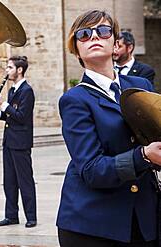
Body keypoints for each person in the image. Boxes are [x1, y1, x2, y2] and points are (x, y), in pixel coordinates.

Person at [56, 10, 161, 247]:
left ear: (115, 43)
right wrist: (143, 156)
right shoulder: (74, 99)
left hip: (145, 218)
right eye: (84, 34)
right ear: (76, 49)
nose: (94, 37)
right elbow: (91, 169)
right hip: (94, 225)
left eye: (103, 31)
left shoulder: (140, 85)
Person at [0, 56, 37, 228]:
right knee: (9, 180)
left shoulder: (27, 91)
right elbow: (11, 117)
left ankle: (31, 216)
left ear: (19, 70)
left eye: (10, 67)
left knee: (25, 180)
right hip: (9, 141)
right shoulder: (12, 91)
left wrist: (4, 105)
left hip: (21, 142)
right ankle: (11, 215)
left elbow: (22, 117)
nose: (7, 71)